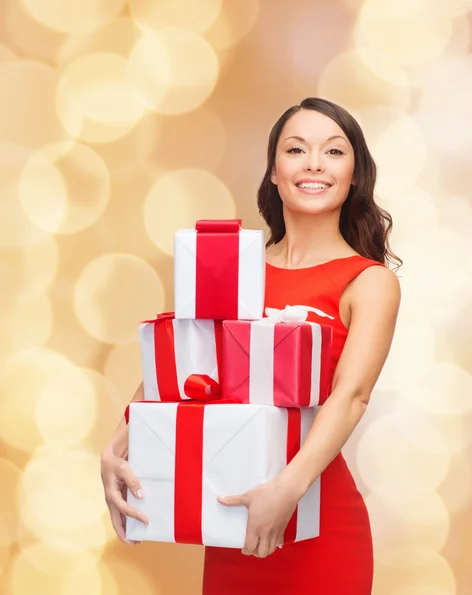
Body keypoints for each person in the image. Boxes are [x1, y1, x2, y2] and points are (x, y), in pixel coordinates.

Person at [100, 97, 401, 594]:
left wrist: (286, 490)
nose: (313, 164)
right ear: (275, 173)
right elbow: (180, 367)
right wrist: (116, 444)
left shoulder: (369, 282)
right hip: (232, 522)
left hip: (319, 523)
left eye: (333, 152)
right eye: (296, 149)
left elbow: (351, 396)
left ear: (355, 175)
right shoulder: (236, 272)